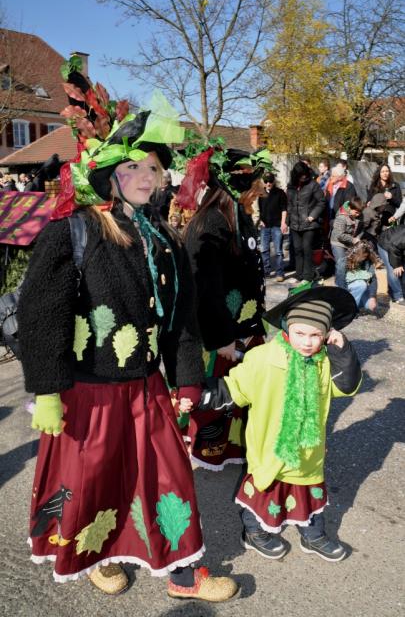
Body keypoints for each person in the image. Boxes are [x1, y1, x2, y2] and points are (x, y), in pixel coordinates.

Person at [17, 59, 238, 602]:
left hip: (146, 387)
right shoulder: (75, 230)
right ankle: (97, 555)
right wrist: (46, 390)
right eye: (134, 167)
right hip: (87, 391)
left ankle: (184, 574)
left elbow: (181, 316)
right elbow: (42, 312)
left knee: (169, 478)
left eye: (154, 169)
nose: (146, 177)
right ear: (110, 173)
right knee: (94, 481)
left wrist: (187, 379)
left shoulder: (161, 238)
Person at [198, 285, 361, 562]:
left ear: (326, 334)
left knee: (308, 493)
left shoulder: (324, 363)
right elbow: (235, 387)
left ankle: (313, 535)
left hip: (308, 453)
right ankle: (253, 531)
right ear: (287, 328)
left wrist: (342, 351)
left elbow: (347, 386)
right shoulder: (263, 359)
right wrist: (198, 393)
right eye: (300, 333)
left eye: (315, 335)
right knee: (264, 494)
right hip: (269, 450)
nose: (307, 342)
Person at [180, 147, 268, 470]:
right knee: (220, 397)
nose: (260, 192)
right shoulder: (213, 223)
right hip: (226, 334)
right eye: (255, 186)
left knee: (243, 396)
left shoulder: (236, 216)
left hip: (244, 325)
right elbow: (205, 287)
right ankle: (209, 450)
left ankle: (235, 448)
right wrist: (222, 338)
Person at [287, 161, 326, 283]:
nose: (304, 177)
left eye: (305, 174)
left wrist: (312, 216)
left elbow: (322, 201)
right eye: (301, 175)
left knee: (306, 248)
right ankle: (299, 274)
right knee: (297, 249)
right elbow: (289, 203)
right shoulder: (291, 186)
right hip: (294, 223)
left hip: (309, 224)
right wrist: (287, 220)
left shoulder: (313, 185)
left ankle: (308, 276)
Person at [258, 172, 288, 281]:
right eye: (266, 181)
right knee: (264, 250)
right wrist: (260, 220)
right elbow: (258, 209)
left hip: (277, 225)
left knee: (278, 251)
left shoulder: (280, 193)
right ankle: (266, 271)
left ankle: (280, 273)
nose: (268, 183)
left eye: (270, 181)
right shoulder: (260, 194)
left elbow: (284, 209)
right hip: (264, 226)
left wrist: (283, 223)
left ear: (273, 181)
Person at [330, 197, 364, 288]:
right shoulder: (341, 217)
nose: (358, 214)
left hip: (350, 242)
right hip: (338, 243)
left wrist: (358, 237)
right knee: (341, 264)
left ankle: (342, 282)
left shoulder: (359, 214)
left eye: (359, 212)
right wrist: (353, 239)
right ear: (349, 208)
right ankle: (341, 287)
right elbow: (339, 235)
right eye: (356, 212)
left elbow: (361, 229)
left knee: (349, 264)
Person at [345, 241, 379, 312]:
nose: (363, 259)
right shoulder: (345, 260)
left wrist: (372, 297)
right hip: (347, 288)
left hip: (358, 287)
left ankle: (356, 303)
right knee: (361, 284)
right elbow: (340, 282)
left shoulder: (367, 261)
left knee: (371, 306)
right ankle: (349, 309)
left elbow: (373, 279)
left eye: (365, 256)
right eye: (362, 256)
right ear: (356, 254)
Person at [377, 224, 405, 305]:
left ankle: (399, 292)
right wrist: (396, 265)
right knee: (394, 270)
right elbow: (393, 247)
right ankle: (398, 297)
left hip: (397, 246)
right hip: (386, 244)